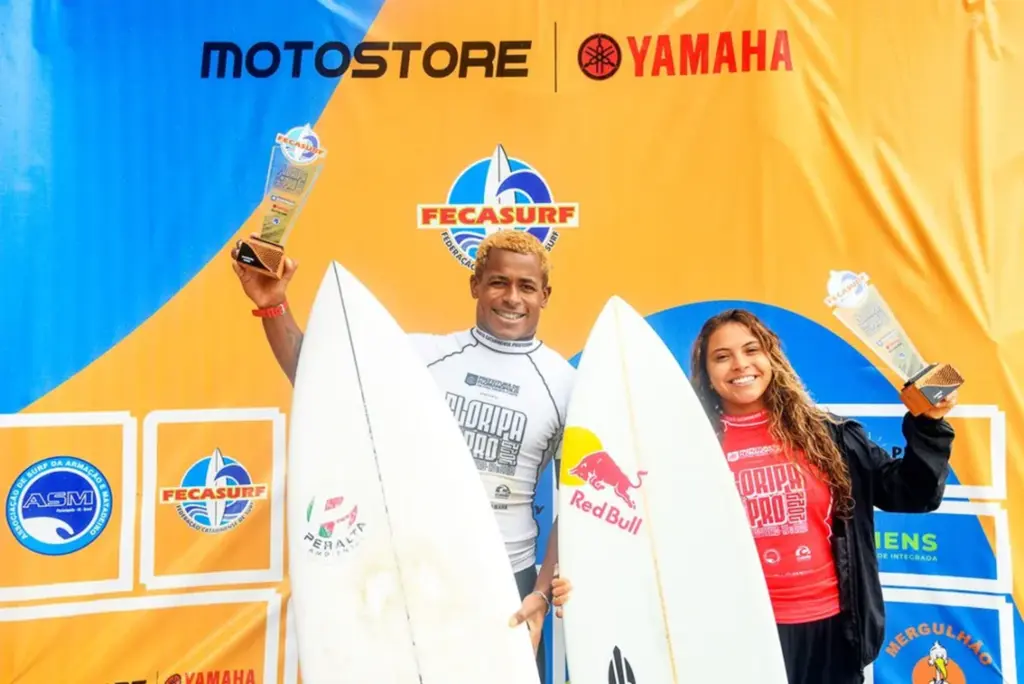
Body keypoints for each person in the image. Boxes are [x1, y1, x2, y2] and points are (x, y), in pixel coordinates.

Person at [231, 229, 573, 681]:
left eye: (526, 286)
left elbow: (576, 507)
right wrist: (273, 303)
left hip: (507, 584)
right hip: (417, 571)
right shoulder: (420, 358)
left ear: (545, 295)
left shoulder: (565, 384)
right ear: (475, 285)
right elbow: (319, 380)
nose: (512, 297)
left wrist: (542, 594)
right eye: (498, 282)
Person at [550, 308, 957, 684]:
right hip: (738, 632)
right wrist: (588, 585)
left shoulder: (830, 436)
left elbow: (912, 493)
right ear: (707, 374)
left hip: (832, 631)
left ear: (772, 359)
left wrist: (930, 424)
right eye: (722, 356)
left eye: (751, 350)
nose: (740, 364)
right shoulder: (687, 449)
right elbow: (638, 532)